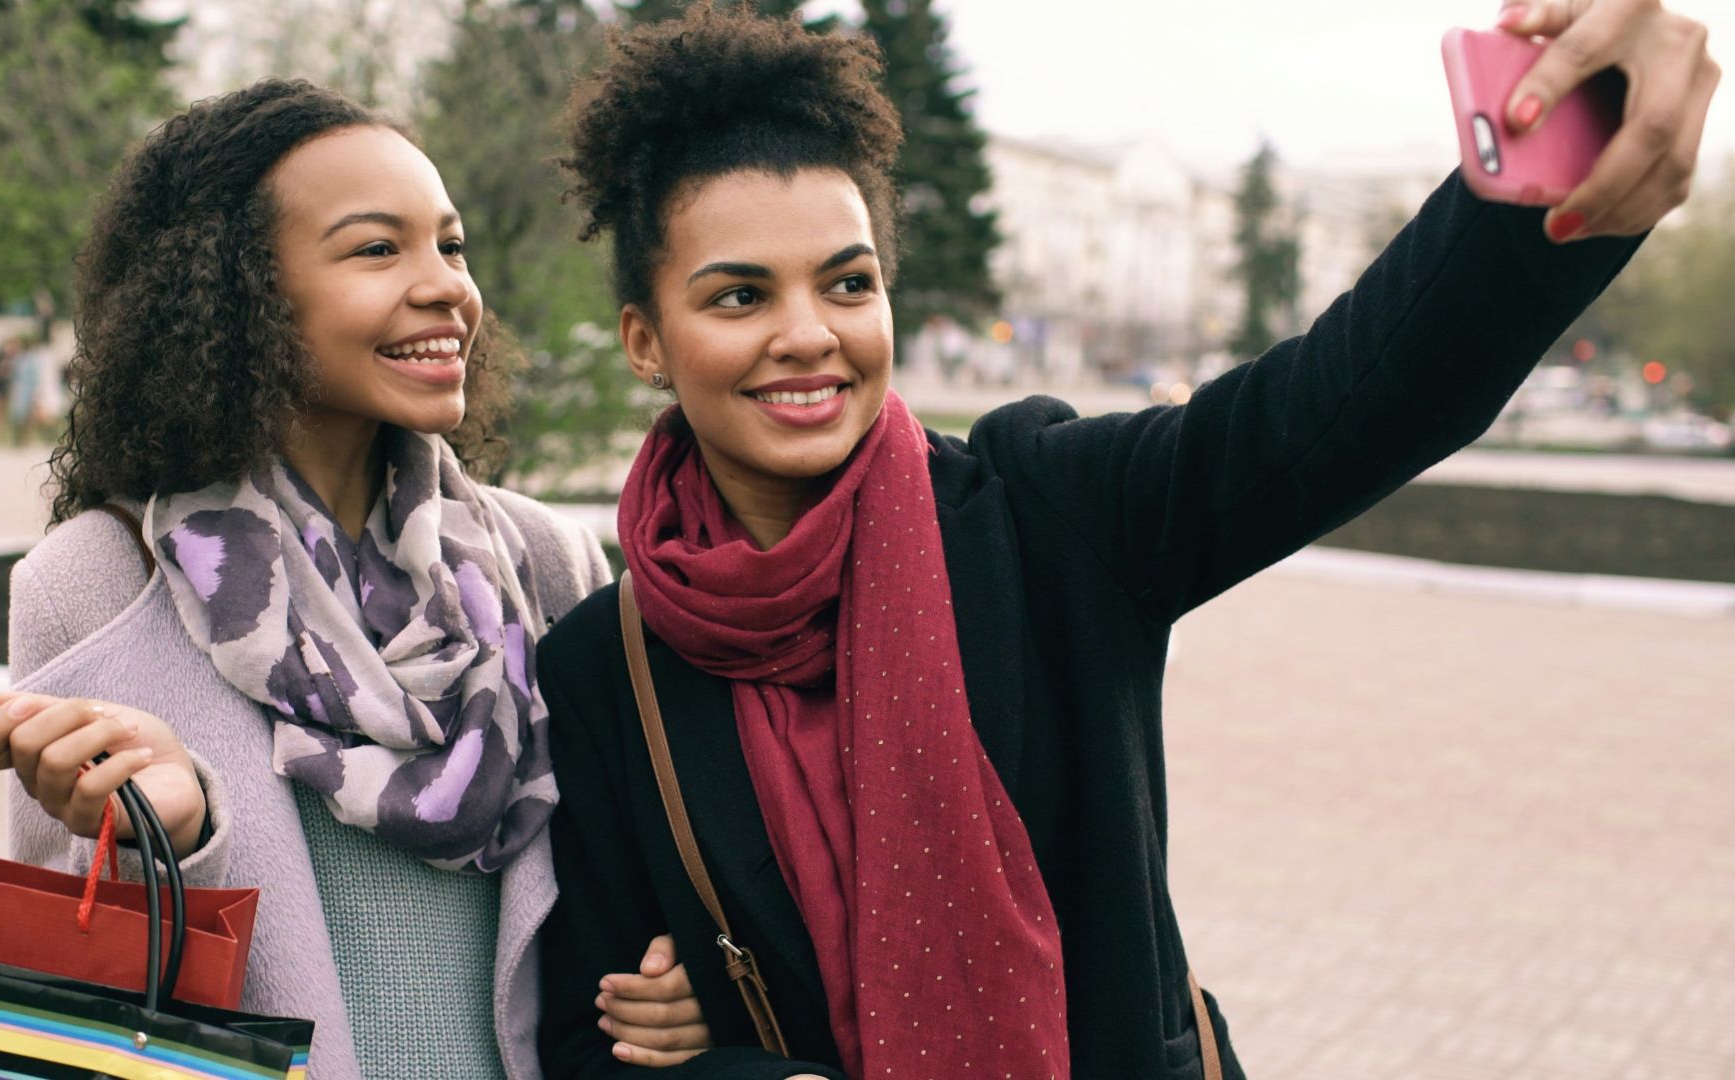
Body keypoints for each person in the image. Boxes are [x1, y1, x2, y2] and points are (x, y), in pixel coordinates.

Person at [532, 3, 1717, 1078]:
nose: (811, 334)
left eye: (848, 284)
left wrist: (1544, 190)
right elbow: (588, 1041)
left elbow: (1342, 409)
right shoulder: (605, 664)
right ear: (645, 339)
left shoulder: (1045, 516)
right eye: (740, 297)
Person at [0, 79, 710, 1079]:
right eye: (376, 248)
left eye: (450, 245)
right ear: (240, 294)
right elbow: (72, 991)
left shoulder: (545, 563)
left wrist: (672, 987)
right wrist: (170, 840)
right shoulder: (96, 582)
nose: (447, 284)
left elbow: (614, 902)